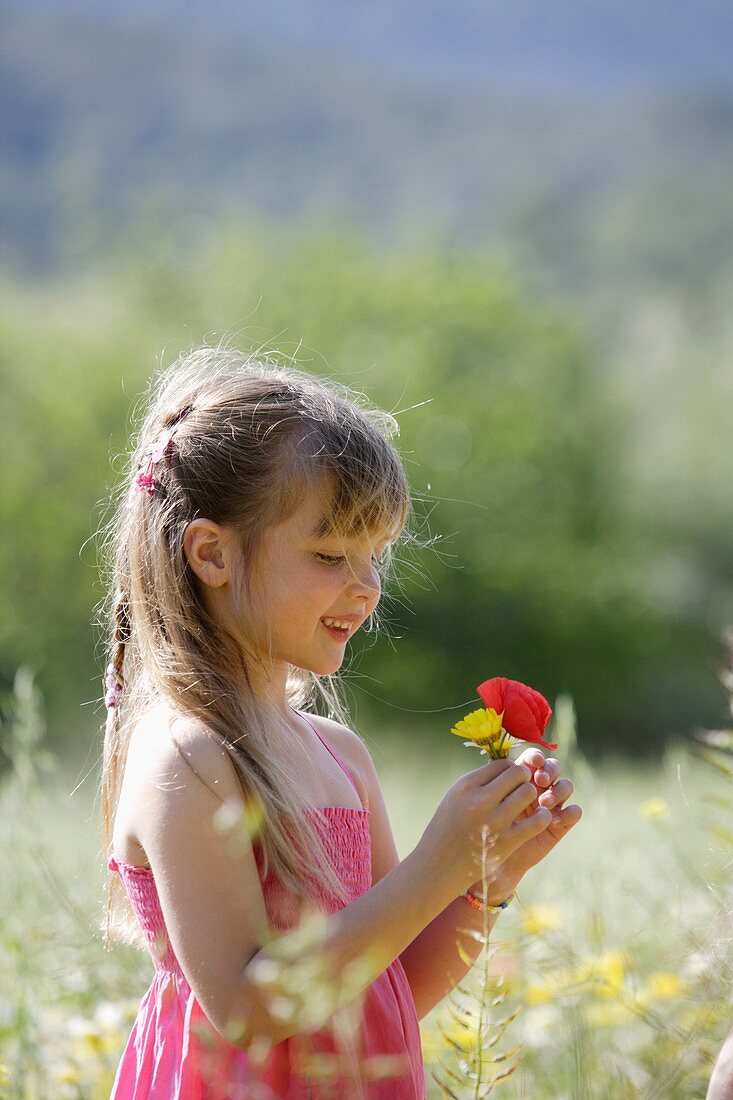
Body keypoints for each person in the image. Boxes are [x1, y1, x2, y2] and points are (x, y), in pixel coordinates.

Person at [100, 345, 581, 1099]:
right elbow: (247, 1010)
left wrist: (484, 880)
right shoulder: (189, 756)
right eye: (329, 554)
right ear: (212, 554)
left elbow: (391, 989)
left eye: (374, 556)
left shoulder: (340, 756)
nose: (364, 589)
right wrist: (436, 865)